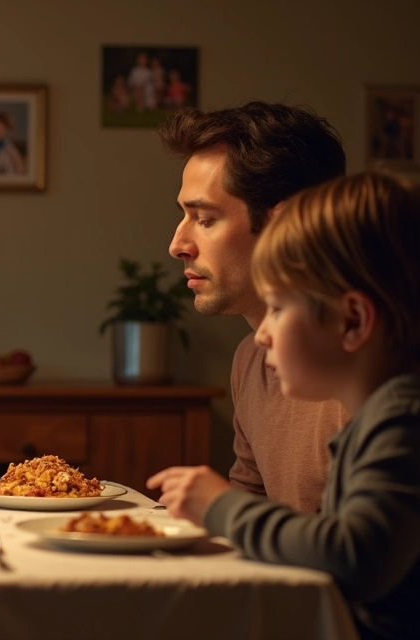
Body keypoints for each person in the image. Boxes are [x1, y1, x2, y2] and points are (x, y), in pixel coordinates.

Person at [149, 172, 420, 640]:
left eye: (280, 309)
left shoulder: (405, 421)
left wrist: (223, 506)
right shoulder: (381, 418)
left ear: (353, 321)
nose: (262, 334)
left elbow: (355, 556)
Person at [159, 101, 347, 514]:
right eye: (183, 216)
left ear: (284, 225)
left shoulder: (366, 373)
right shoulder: (249, 361)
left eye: (205, 219)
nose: (177, 246)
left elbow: (364, 555)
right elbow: (248, 515)